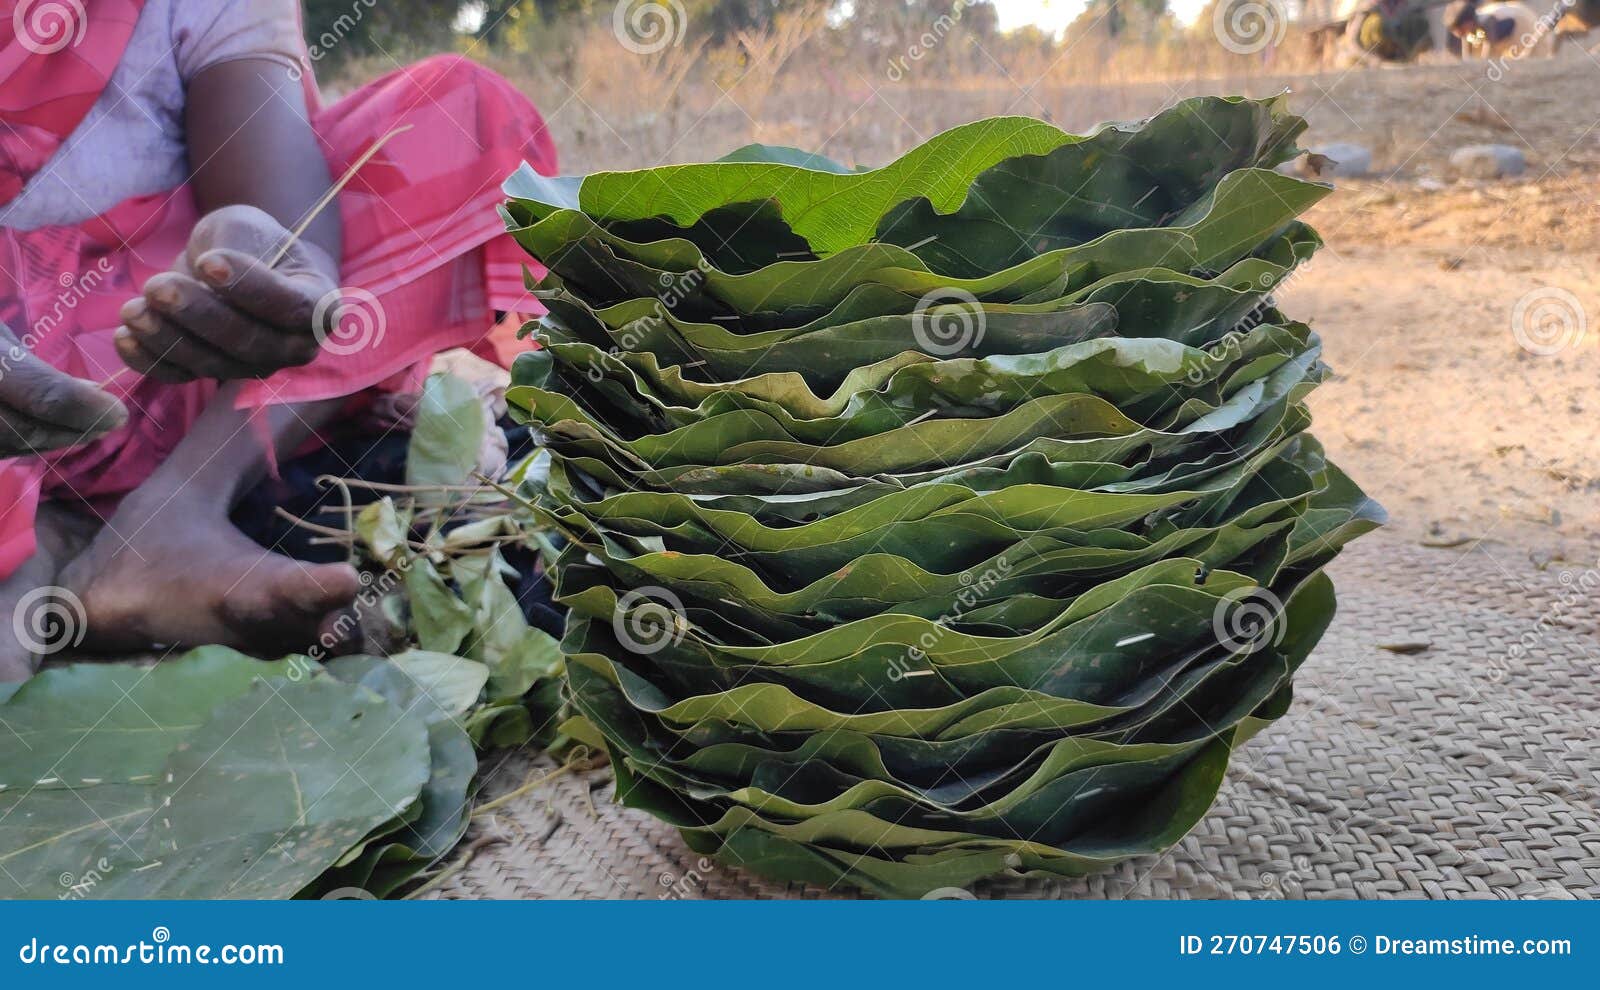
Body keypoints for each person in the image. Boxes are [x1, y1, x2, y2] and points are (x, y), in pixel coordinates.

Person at [0, 0, 557, 679]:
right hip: (23, 405)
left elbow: (287, 211)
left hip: (191, 372)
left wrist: (276, 261)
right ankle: (53, 543)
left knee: (459, 114)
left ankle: (169, 518)